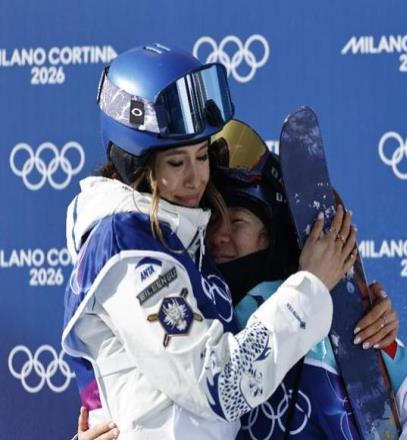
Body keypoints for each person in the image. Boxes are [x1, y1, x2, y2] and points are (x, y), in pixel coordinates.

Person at [62, 43, 357, 440]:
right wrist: (311, 287)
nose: (196, 178)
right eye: (176, 162)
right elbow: (220, 385)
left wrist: (361, 310)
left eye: (201, 156)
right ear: (135, 163)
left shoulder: (175, 236)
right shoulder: (129, 248)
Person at [207, 120, 407, 439]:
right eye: (212, 222)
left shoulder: (335, 311)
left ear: (271, 233)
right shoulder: (201, 312)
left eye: (237, 221)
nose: (219, 236)